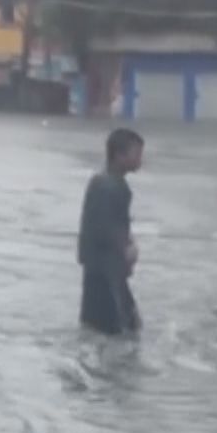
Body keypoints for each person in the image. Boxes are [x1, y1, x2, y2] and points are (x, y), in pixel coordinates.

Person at [79, 128, 145, 336]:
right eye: (136, 153)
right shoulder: (110, 186)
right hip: (106, 271)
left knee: (112, 328)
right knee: (117, 331)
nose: (140, 159)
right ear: (119, 155)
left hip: (101, 268)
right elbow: (106, 227)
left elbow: (113, 223)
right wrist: (127, 249)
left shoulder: (106, 182)